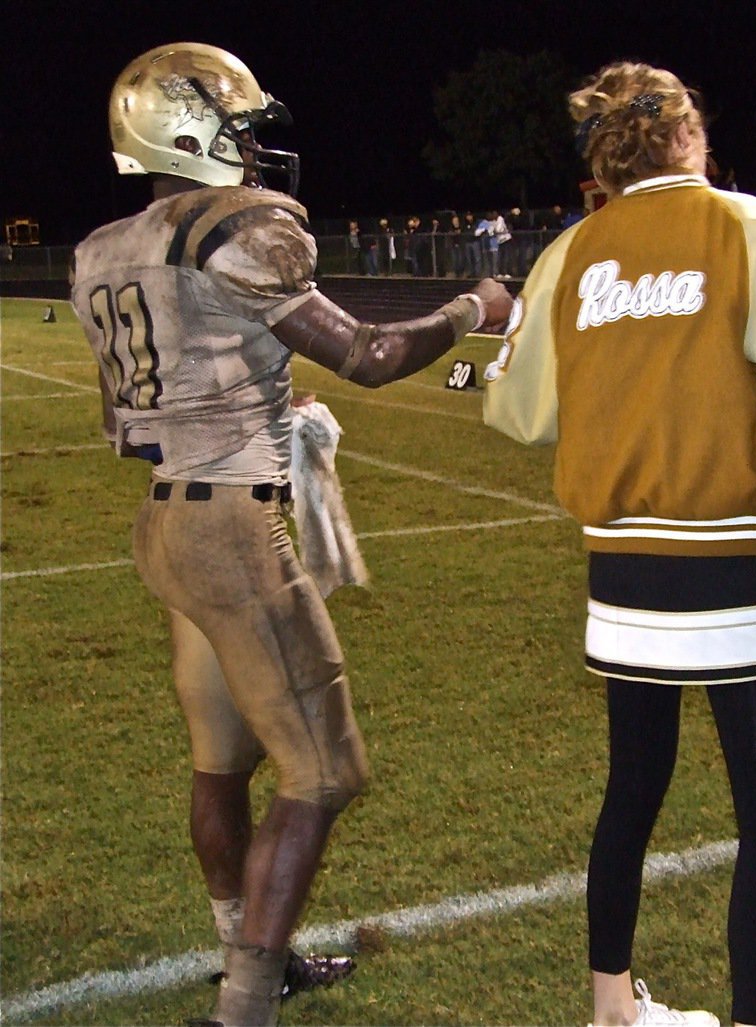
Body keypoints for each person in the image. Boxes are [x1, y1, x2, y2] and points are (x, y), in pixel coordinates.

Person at [70, 42, 512, 1027]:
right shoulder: (240, 230)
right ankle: (245, 1007)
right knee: (326, 768)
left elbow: (123, 423)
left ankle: (245, 951)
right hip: (232, 529)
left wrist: (248, 401)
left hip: (166, 522)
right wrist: (474, 307)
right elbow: (370, 352)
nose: (255, 149)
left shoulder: (103, 250)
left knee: (220, 762)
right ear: (187, 136)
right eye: (240, 129)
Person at [483, 60, 756, 1027]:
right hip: (733, 561)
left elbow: (520, 410)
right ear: (687, 133)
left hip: (619, 565)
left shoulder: (570, 253)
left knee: (634, 786)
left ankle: (610, 1010)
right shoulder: (753, 227)